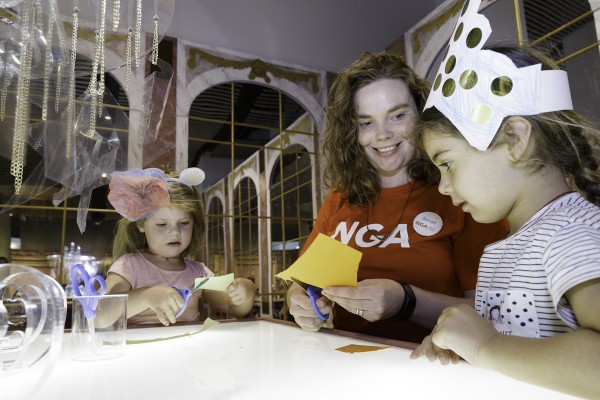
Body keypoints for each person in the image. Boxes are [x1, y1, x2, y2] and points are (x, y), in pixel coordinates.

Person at [408, 31, 600, 400]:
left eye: (447, 164)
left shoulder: (570, 234)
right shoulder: (500, 250)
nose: (443, 187)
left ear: (514, 139)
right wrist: (465, 345)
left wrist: (484, 346)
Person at [287, 51, 508, 343]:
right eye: (366, 123)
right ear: (352, 132)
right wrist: (299, 303)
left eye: (398, 116)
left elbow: (496, 314)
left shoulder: (459, 194)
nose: (382, 135)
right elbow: (303, 283)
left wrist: (407, 301)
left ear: (421, 116)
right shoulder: (340, 197)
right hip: (345, 364)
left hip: (437, 365)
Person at [105, 167, 255, 326]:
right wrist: (146, 296)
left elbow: (232, 308)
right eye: (162, 224)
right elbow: (100, 314)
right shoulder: (129, 266)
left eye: (183, 223)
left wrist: (246, 292)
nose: (175, 232)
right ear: (141, 224)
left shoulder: (199, 272)